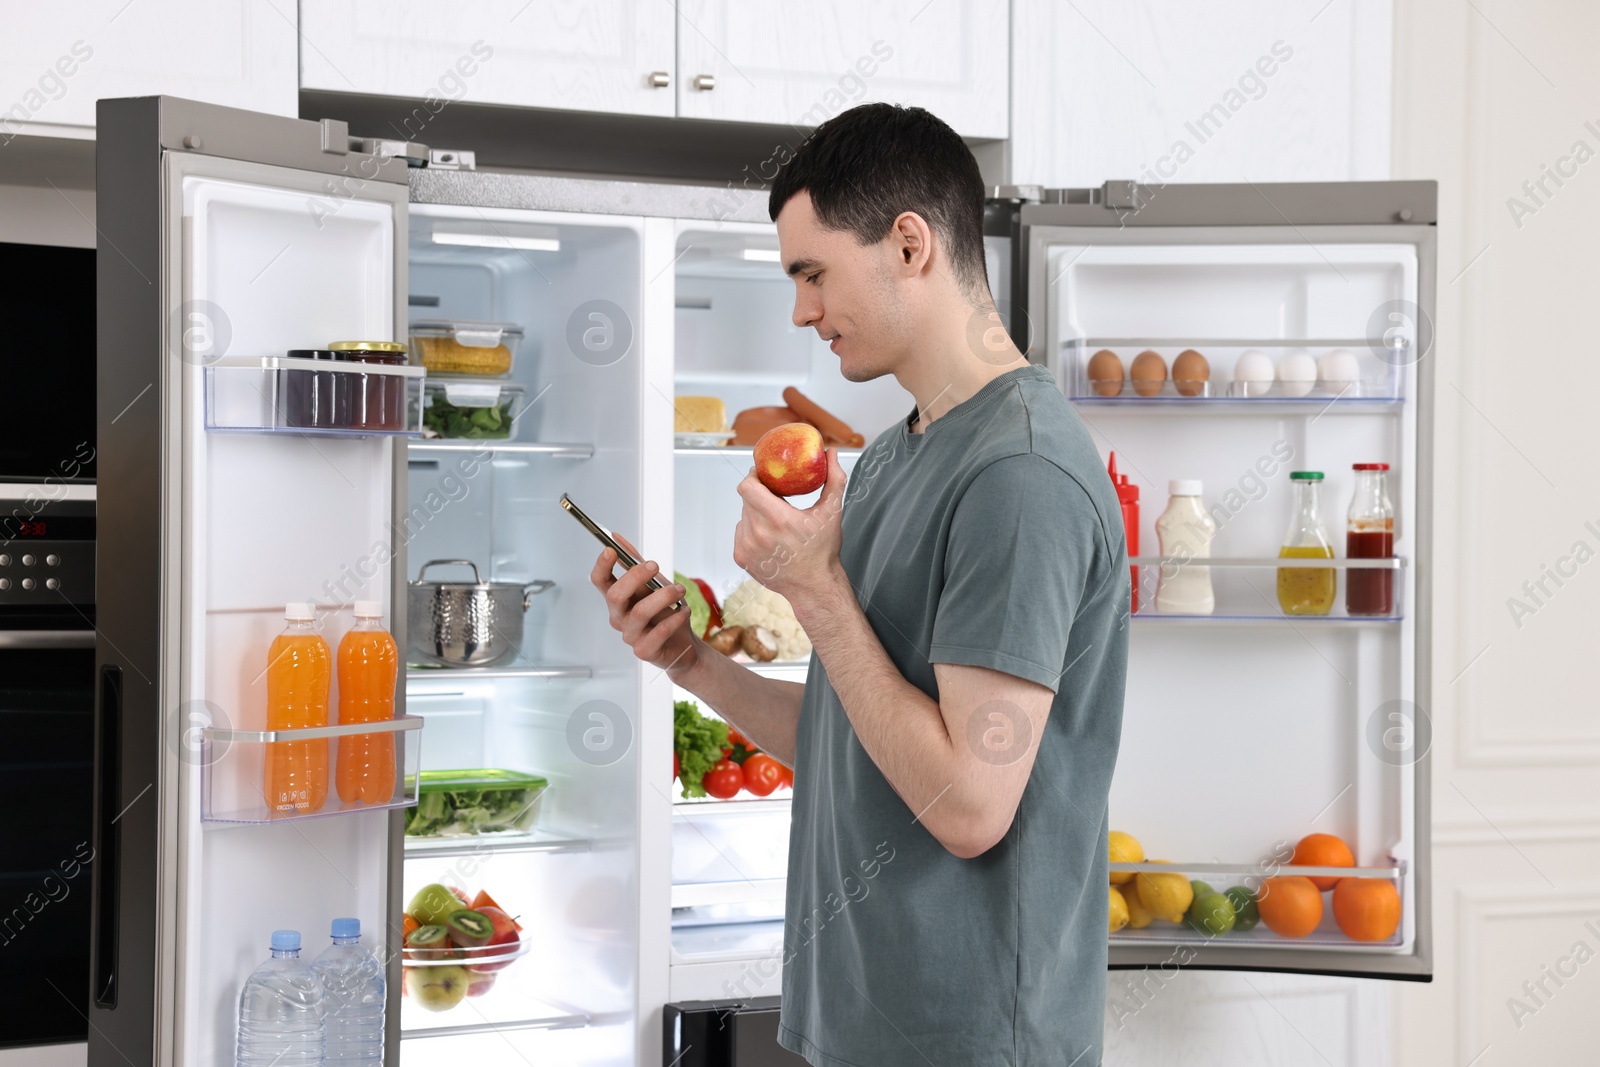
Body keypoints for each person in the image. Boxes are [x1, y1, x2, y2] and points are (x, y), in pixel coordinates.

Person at [591, 103, 1128, 1067]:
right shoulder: (889, 458)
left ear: (910, 245)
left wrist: (818, 592)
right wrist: (690, 660)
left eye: (812, 272)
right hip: (863, 1022)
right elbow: (852, 740)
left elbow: (968, 805)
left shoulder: (1020, 476)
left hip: (971, 1041)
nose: (802, 309)